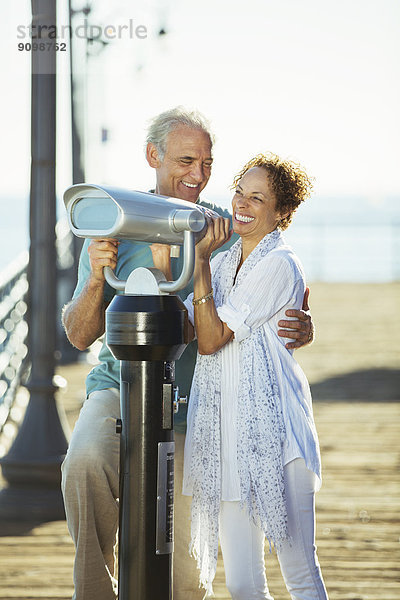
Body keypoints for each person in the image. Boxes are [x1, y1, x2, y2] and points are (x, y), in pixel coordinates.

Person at [61, 107, 314, 600]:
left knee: (184, 576)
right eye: (185, 160)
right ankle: (92, 593)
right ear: (153, 156)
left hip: (200, 405)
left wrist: (301, 322)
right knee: (85, 463)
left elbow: (266, 291)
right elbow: (76, 335)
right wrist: (95, 278)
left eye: (207, 163)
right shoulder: (115, 221)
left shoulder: (222, 232)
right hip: (119, 388)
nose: (197, 176)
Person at [177, 153, 328, 599]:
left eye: (257, 198)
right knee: (243, 584)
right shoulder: (225, 265)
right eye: (239, 192)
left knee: (299, 572)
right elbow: (186, 325)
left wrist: (199, 259)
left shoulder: (279, 263)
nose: (241, 204)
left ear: (281, 213)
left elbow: (211, 337)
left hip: (278, 440)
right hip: (227, 439)